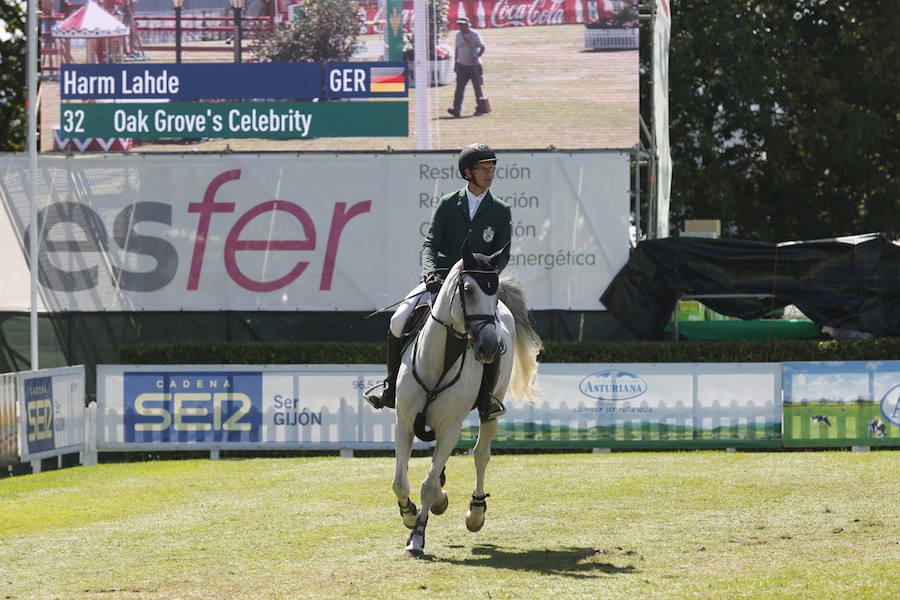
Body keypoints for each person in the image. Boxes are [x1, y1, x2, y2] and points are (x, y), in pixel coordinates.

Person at [365, 143, 512, 420]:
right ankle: (391, 387)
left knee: (498, 334)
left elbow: (503, 253)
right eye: (483, 168)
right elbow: (430, 244)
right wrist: (430, 272)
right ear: (467, 172)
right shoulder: (447, 204)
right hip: (441, 281)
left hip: (476, 289)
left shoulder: (501, 210)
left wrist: (488, 275)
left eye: (492, 168)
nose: (489, 173)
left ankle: (487, 397)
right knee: (399, 319)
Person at [447, 17, 487, 118]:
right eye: (459, 24)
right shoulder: (458, 35)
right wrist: (456, 63)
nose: (460, 26)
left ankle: (480, 108)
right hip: (462, 66)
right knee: (459, 89)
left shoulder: (474, 34)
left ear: (468, 24)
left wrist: (477, 56)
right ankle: (457, 109)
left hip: (474, 66)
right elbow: (457, 49)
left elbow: (482, 47)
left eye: (462, 24)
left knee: (477, 88)